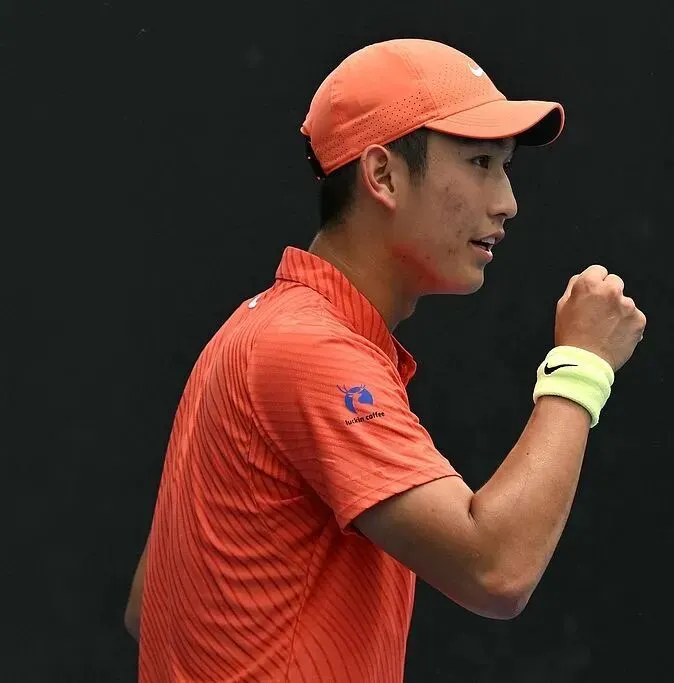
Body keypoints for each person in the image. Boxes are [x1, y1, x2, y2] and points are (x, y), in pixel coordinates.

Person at [125, 38, 646, 682]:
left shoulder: (262, 331)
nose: (507, 201)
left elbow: (151, 604)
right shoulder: (310, 349)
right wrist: (581, 365)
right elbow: (496, 569)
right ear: (382, 176)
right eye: (481, 163)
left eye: (505, 166)